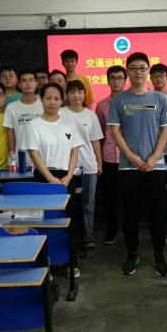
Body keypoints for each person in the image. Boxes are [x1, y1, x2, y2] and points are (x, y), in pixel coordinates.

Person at [107, 52, 167, 277]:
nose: (138, 72)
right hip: (128, 166)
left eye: (142, 68)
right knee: (130, 214)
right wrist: (131, 156)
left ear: (148, 71)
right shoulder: (119, 100)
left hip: (156, 166)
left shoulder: (160, 99)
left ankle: (159, 254)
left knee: (158, 213)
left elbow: (166, 130)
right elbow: (115, 131)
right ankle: (132, 253)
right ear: (128, 71)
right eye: (133, 68)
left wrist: (154, 157)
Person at [23, 82, 83, 277]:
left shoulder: (69, 123)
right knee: (45, 223)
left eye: (56, 98)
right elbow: (34, 154)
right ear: (41, 100)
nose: (52, 102)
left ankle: (70, 262)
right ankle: (44, 264)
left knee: (69, 222)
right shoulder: (33, 125)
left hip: (66, 179)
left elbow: (74, 152)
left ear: (61, 100)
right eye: (48, 98)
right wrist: (50, 178)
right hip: (43, 178)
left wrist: (68, 176)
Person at [60, 80, 103, 249]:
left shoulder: (90, 115)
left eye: (79, 92)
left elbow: (95, 141)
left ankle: (88, 237)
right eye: (72, 92)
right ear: (67, 95)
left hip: (88, 165)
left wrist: (99, 163)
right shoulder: (61, 113)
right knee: (69, 203)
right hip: (66, 167)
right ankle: (72, 237)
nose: (76, 95)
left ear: (84, 94)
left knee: (88, 203)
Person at [95, 65, 127, 245]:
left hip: (129, 157)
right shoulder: (101, 105)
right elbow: (99, 133)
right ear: (107, 81)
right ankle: (112, 229)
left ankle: (129, 229)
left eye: (120, 78)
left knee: (130, 196)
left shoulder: (132, 102)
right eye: (113, 78)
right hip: (109, 157)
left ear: (125, 80)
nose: (116, 81)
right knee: (110, 197)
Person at [3, 69, 43, 170]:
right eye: (24, 80)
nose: (28, 83)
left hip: (43, 158)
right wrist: (12, 159)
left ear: (36, 83)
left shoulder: (44, 105)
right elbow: (10, 133)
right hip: (21, 159)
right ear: (19, 84)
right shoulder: (11, 107)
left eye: (31, 80)